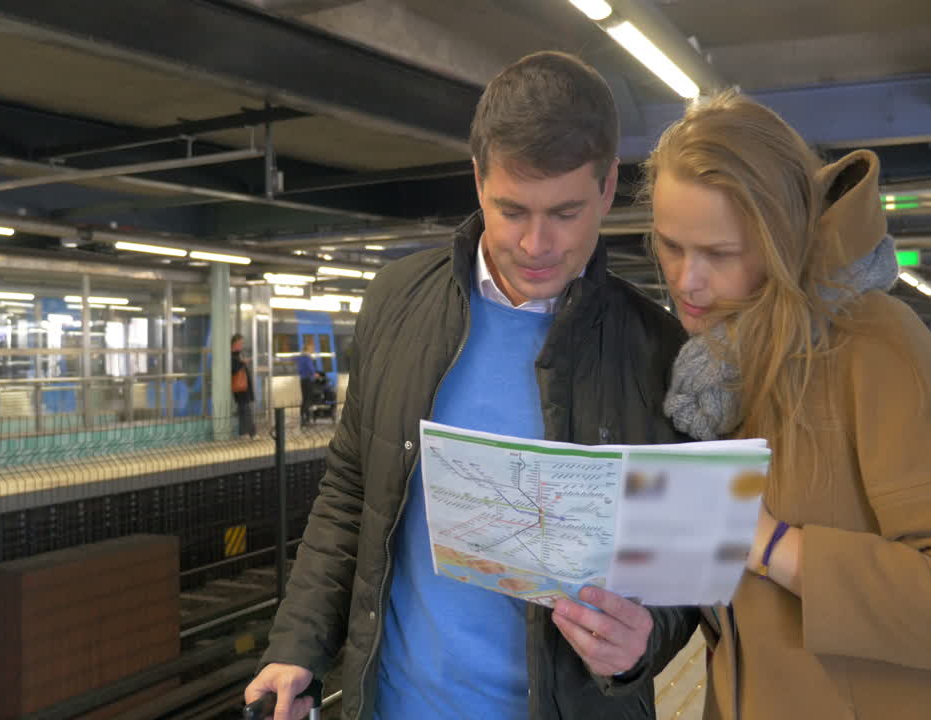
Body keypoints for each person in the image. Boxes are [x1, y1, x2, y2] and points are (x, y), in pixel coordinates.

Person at [246, 51, 697, 720]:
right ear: (478, 180)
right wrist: (297, 645)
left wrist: (641, 644)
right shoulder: (398, 301)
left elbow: (680, 566)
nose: (537, 243)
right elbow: (350, 491)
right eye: (512, 209)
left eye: (566, 212)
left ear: (606, 190)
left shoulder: (658, 351)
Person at [643, 90, 931, 720]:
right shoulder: (719, 374)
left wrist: (774, 545)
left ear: (784, 240)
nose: (686, 281)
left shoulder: (876, 348)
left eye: (719, 254)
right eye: (670, 245)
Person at [232, 333, 256, 438]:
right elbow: (234, 369)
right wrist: (243, 362)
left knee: (244, 410)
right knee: (246, 410)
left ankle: (244, 433)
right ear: (235, 343)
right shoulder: (232, 356)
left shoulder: (238, 354)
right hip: (240, 387)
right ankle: (251, 433)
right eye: (240, 343)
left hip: (243, 387)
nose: (241, 345)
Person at [296, 337, 317, 427]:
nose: (313, 350)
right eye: (312, 348)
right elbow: (310, 369)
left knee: (304, 399)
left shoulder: (301, 357)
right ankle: (308, 419)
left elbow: (300, 369)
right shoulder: (308, 357)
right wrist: (315, 374)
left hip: (302, 380)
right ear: (309, 348)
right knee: (308, 399)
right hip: (308, 380)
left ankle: (303, 417)